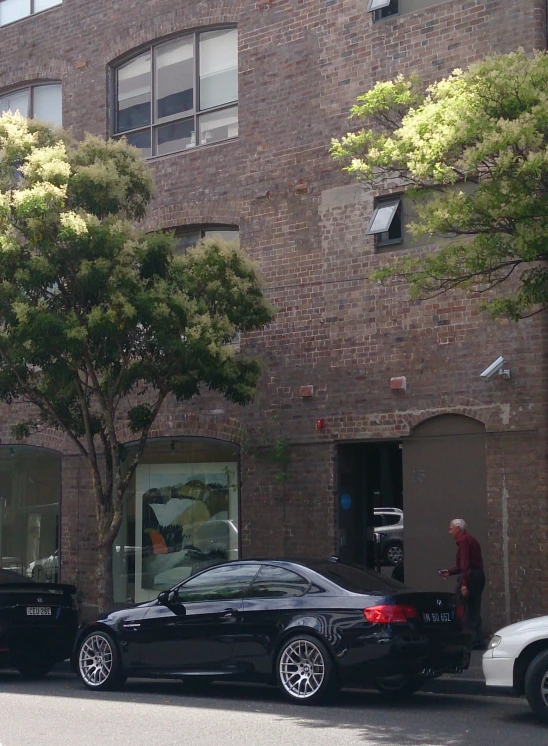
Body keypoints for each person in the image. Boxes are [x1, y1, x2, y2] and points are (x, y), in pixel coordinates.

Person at [439, 518, 486, 650]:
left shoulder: (463, 541)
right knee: (474, 607)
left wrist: (464, 584)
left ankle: (469, 639)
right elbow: (466, 565)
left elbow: (465, 565)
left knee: (463, 606)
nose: (450, 532)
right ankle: (478, 639)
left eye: (451, 529)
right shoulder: (471, 539)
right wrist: (450, 571)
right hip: (478, 576)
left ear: (458, 529)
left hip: (471, 577)